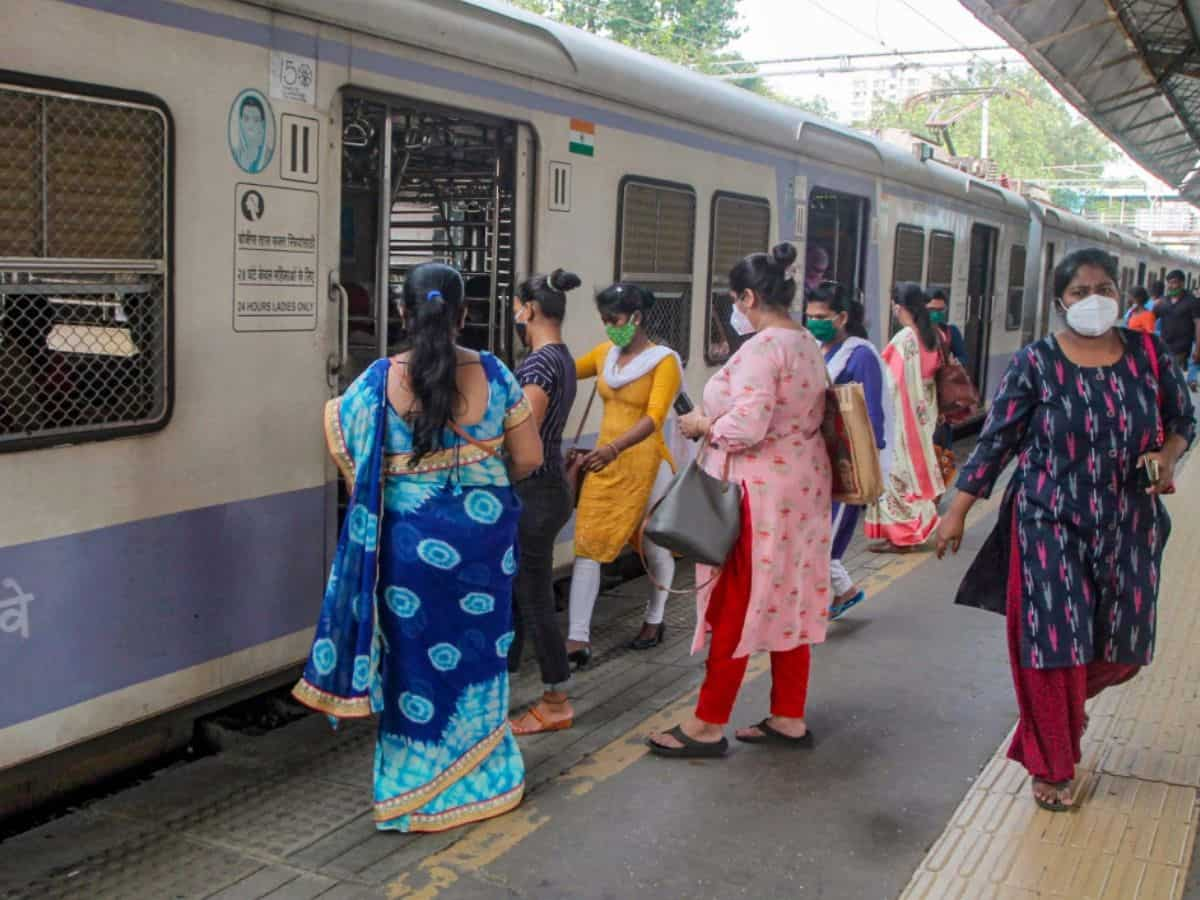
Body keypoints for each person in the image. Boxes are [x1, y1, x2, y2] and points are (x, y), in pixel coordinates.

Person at [937, 248, 1194, 812]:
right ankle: (1053, 765)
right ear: (1060, 302)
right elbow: (997, 439)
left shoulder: (1149, 355)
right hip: (1048, 518)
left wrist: (1170, 455)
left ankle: (1056, 713)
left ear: (1122, 295)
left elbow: (1183, 420)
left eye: (1103, 288)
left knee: (1125, 651)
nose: (1093, 299)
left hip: (1130, 522)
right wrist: (958, 507)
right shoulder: (1036, 363)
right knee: (1053, 646)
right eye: (1080, 292)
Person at [293, 262, 543, 833]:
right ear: (464, 315)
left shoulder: (379, 380)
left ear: (403, 313)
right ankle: (486, 781)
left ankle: (414, 791)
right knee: (480, 659)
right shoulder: (498, 373)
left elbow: (350, 460)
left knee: (413, 669)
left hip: (409, 553)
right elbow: (528, 460)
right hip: (484, 549)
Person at [645, 242, 831, 757]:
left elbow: (746, 426)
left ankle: (708, 724)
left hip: (758, 496)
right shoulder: (806, 344)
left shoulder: (762, 349)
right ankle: (789, 715)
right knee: (788, 596)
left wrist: (702, 424)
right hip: (802, 490)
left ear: (748, 297)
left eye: (735, 300)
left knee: (735, 603)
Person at [567, 284, 682, 664]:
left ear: (636, 317)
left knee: (653, 544)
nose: (608, 328)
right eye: (603, 321)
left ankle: (655, 618)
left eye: (613, 320)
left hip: (645, 464)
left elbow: (654, 417)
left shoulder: (664, 361)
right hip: (605, 463)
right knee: (588, 544)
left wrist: (615, 447)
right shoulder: (605, 356)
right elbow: (564, 368)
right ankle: (577, 639)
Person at [506, 269, 581, 735]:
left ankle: (555, 698)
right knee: (519, 592)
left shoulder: (537, 366)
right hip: (550, 488)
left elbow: (523, 437)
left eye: (518, 306)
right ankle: (502, 682)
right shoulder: (563, 357)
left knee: (533, 597)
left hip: (534, 490)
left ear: (529, 309)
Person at [805, 283, 891, 621]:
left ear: (842, 317)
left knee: (823, 541)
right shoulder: (815, 348)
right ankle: (844, 592)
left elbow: (871, 417)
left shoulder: (861, 355)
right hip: (817, 461)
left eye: (821, 317)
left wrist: (864, 465)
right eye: (810, 317)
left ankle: (821, 605)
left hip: (847, 463)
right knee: (816, 538)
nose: (814, 323)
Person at [865, 283, 945, 552]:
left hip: (902, 417)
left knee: (897, 474)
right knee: (913, 472)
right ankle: (908, 530)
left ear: (899, 307)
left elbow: (891, 381)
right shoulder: (929, 335)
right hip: (923, 413)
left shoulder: (905, 339)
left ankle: (904, 536)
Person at [1154, 269, 1200, 374]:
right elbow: (1151, 318)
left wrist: (1198, 349)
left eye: (1174, 282)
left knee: (1173, 376)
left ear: (1182, 283)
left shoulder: (1192, 301)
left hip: (1181, 349)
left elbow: (1198, 325)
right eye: (1169, 283)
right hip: (1163, 346)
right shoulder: (1164, 301)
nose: (1170, 286)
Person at [926, 290, 967, 365]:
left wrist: (955, 361)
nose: (935, 314)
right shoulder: (914, 330)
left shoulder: (951, 331)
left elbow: (963, 357)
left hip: (940, 374)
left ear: (945, 310)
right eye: (932, 309)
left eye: (940, 310)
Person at [234, 95, 270, 173]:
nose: (251, 125)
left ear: (262, 124)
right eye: (246, 119)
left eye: (256, 120)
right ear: (240, 122)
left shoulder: (267, 155)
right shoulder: (235, 154)